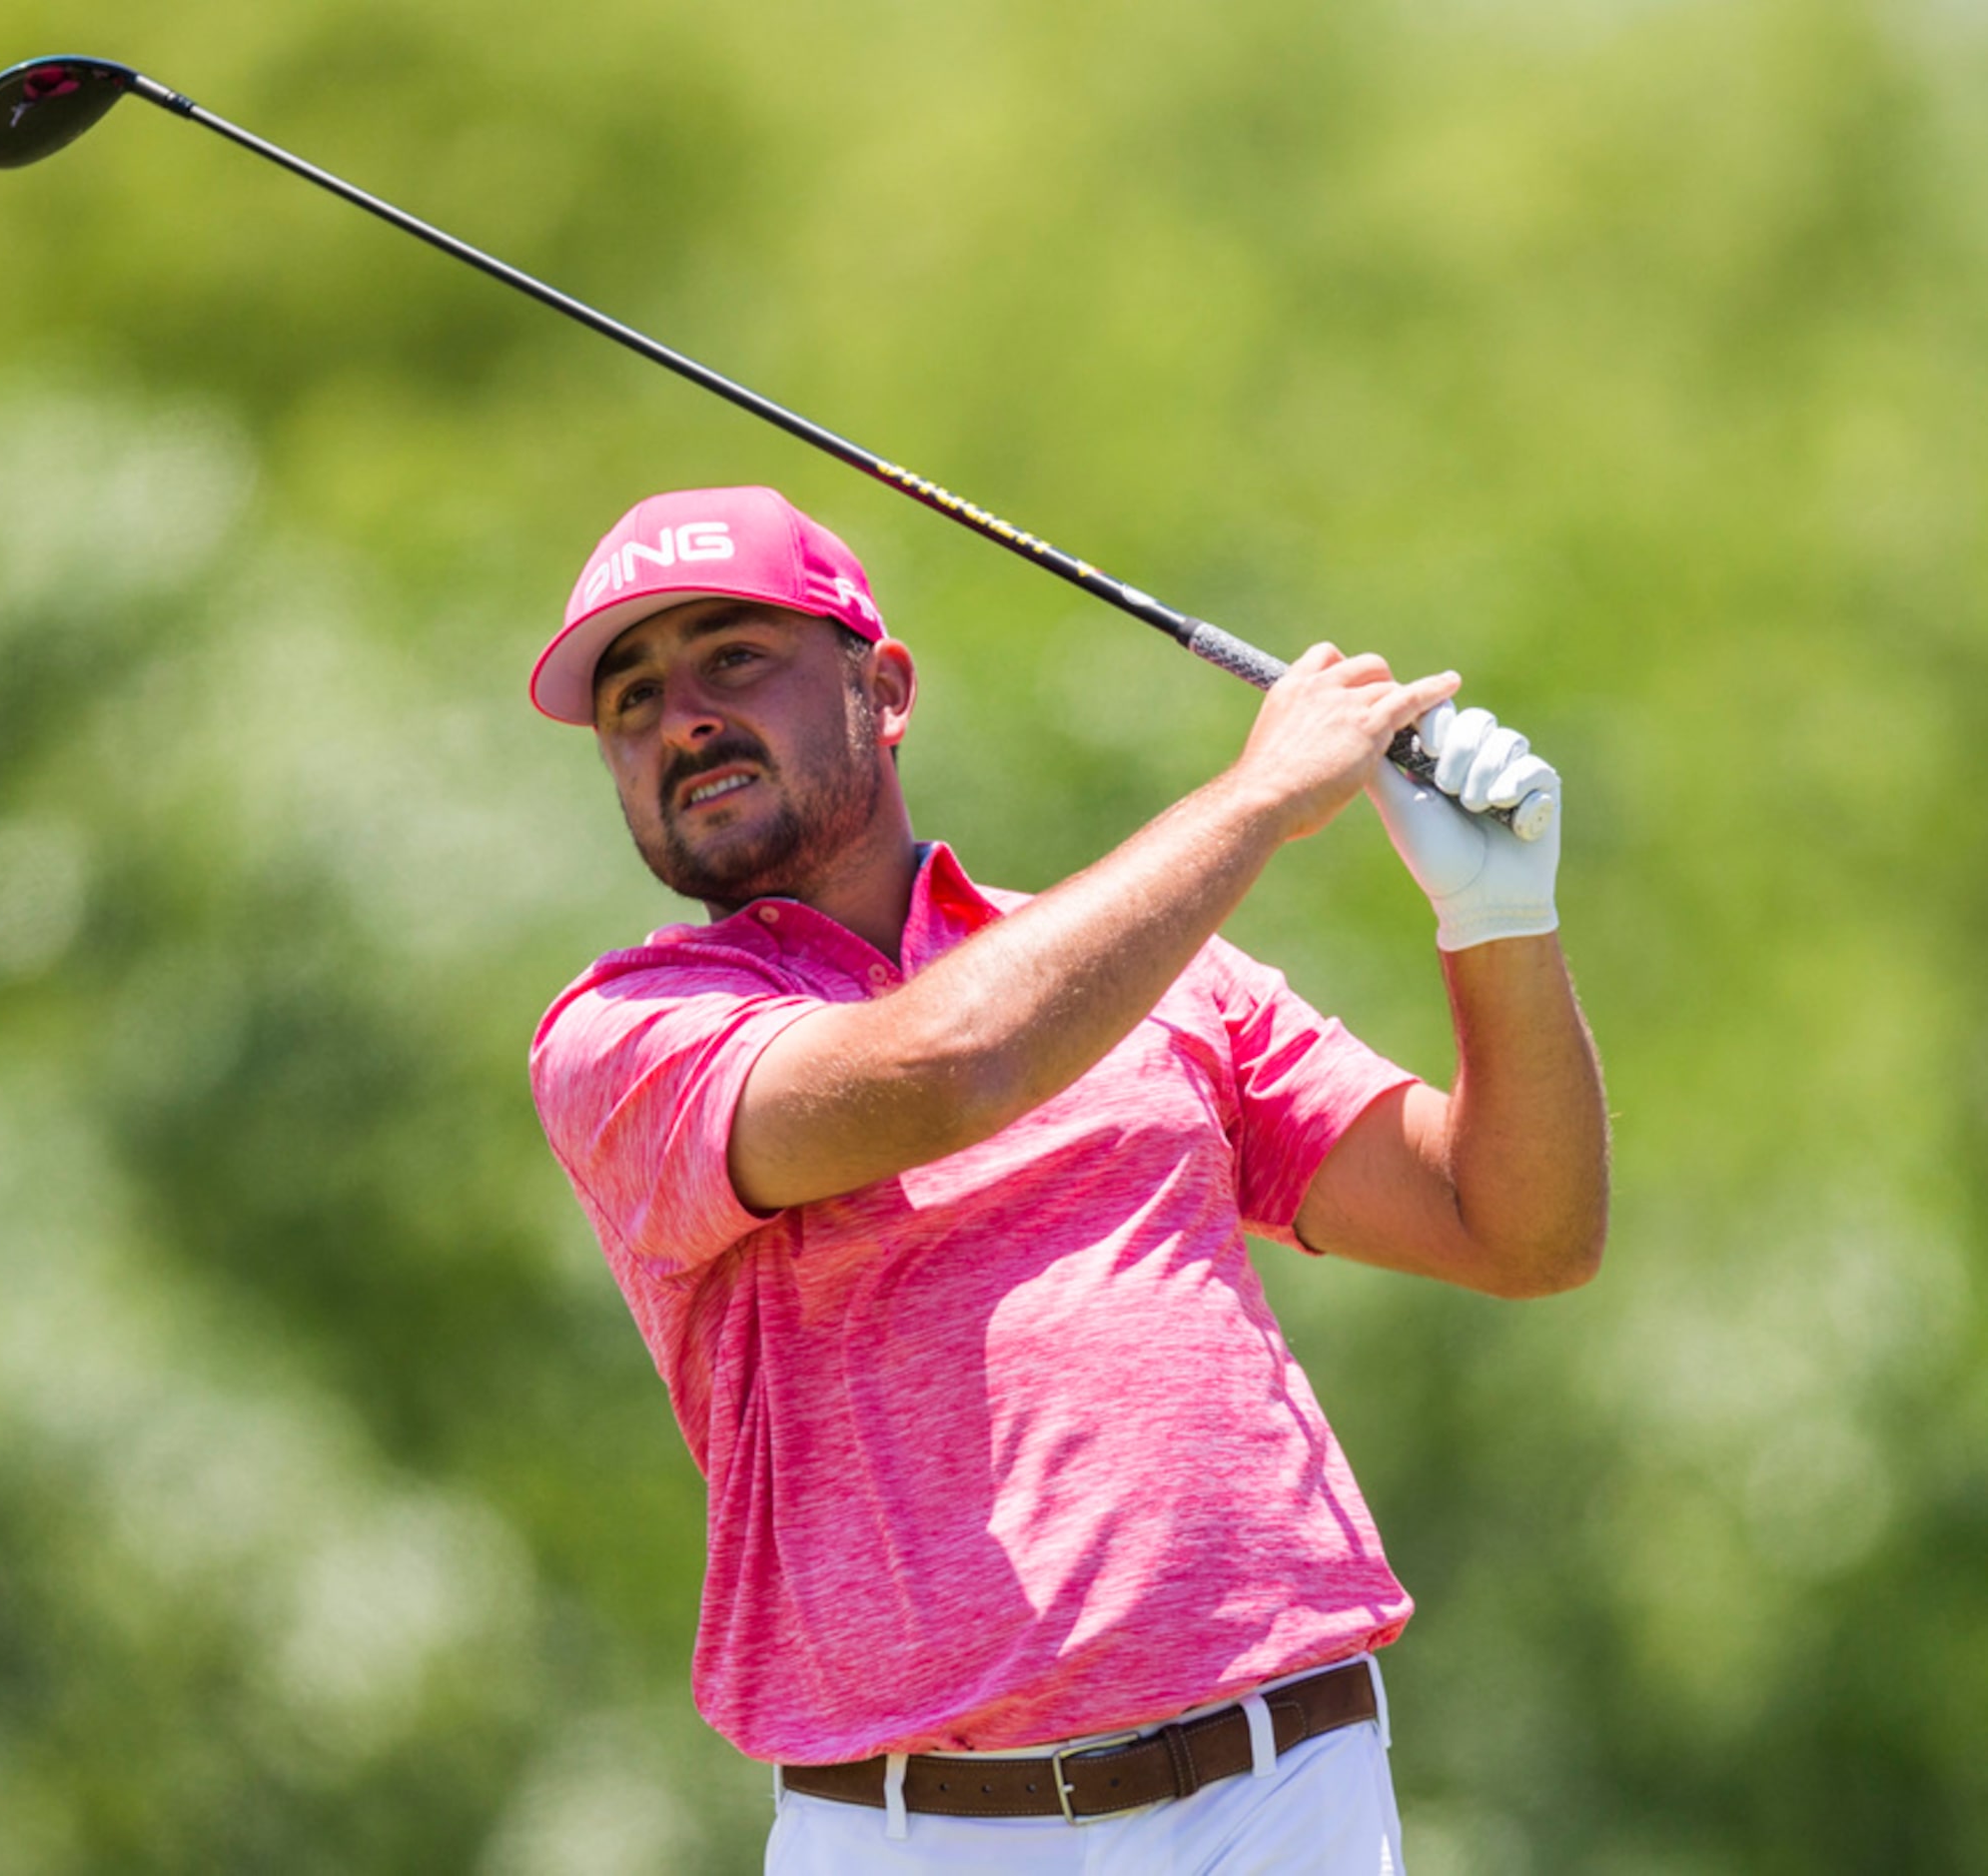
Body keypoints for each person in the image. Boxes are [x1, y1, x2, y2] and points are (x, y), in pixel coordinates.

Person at [526, 485, 1607, 1874]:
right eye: (633, 698)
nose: (680, 716)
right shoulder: (626, 1035)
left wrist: (1499, 919)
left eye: (733, 656)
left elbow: (1520, 1227)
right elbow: (946, 1068)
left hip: (1277, 1794)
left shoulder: (1159, 975)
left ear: (886, 687)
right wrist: (1258, 798)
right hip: (914, 1831)